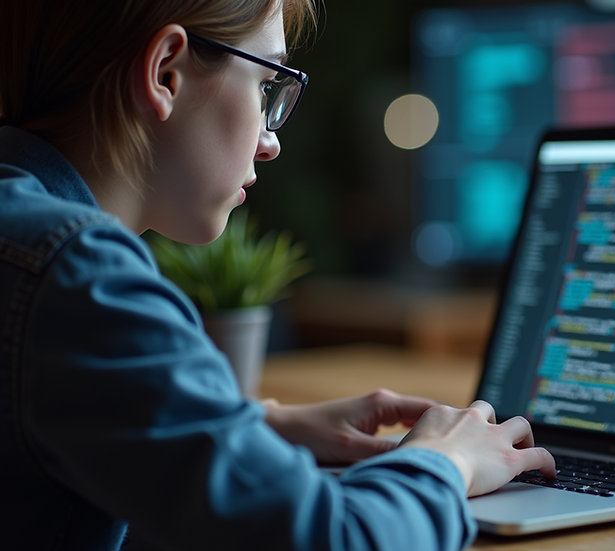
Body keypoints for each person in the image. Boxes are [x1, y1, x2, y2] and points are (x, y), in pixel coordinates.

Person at [0, 1, 556, 550]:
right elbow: (338, 541)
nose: (270, 143)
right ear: (166, 72)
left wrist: (252, 429)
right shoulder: (77, 277)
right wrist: (445, 461)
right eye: (267, 84)